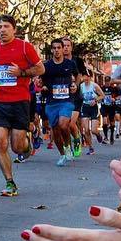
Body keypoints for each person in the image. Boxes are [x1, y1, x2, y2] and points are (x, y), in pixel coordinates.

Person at [0, 15, 44, 197]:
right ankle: (10, 182)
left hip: (20, 101)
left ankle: (28, 141)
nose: (2, 30)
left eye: (6, 26)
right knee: (0, 141)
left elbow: (40, 69)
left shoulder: (24, 47)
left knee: (17, 147)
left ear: (14, 29)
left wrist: (21, 72)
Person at [42, 38, 78, 168]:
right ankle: (62, 154)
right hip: (52, 102)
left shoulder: (70, 64)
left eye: (59, 48)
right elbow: (41, 81)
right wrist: (43, 86)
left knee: (63, 125)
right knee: (55, 130)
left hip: (66, 100)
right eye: (54, 48)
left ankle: (68, 146)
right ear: (52, 50)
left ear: (63, 49)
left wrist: (75, 85)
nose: (57, 50)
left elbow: (77, 76)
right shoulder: (47, 66)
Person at [78, 72, 104, 155]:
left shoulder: (94, 86)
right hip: (85, 107)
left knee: (93, 130)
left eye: (87, 77)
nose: (85, 78)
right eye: (84, 76)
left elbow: (102, 95)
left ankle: (98, 135)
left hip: (93, 108)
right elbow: (79, 97)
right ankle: (91, 148)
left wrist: (95, 100)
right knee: (86, 130)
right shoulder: (81, 87)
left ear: (90, 77)